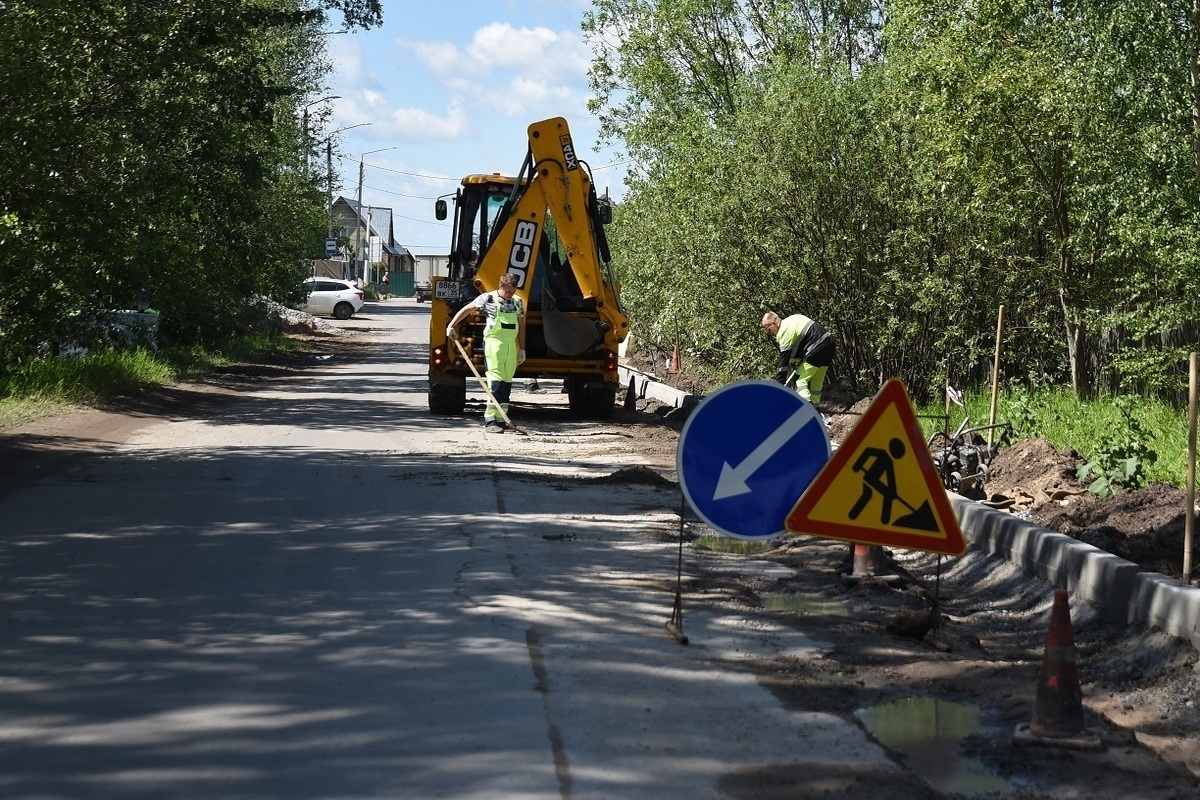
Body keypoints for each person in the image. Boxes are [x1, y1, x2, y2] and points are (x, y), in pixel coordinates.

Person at [446, 272, 527, 432]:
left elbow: (522, 326)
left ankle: (502, 418)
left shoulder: (517, 302)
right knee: (496, 381)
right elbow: (467, 309)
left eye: (514, 290)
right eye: (509, 291)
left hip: (511, 345)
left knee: (506, 381)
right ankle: (490, 420)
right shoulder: (488, 298)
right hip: (493, 344)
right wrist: (451, 325)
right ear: (502, 286)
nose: (511, 294)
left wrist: (522, 349)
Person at [761, 310, 835, 405]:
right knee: (816, 382)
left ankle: (811, 411)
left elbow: (784, 362)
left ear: (773, 323)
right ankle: (817, 411)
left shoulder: (783, 332)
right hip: (829, 344)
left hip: (817, 348)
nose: (769, 332)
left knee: (799, 381)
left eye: (768, 329)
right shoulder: (794, 318)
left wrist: (780, 383)